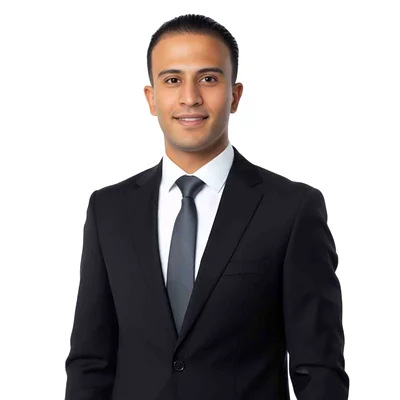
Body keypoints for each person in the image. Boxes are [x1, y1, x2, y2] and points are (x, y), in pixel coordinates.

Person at [64, 14, 350, 400]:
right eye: (172, 80)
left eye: (209, 79)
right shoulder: (108, 210)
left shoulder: (292, 209)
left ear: (235, 95)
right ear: (151, 98)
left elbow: (319, 369)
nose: (190, 97)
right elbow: (90, 362)